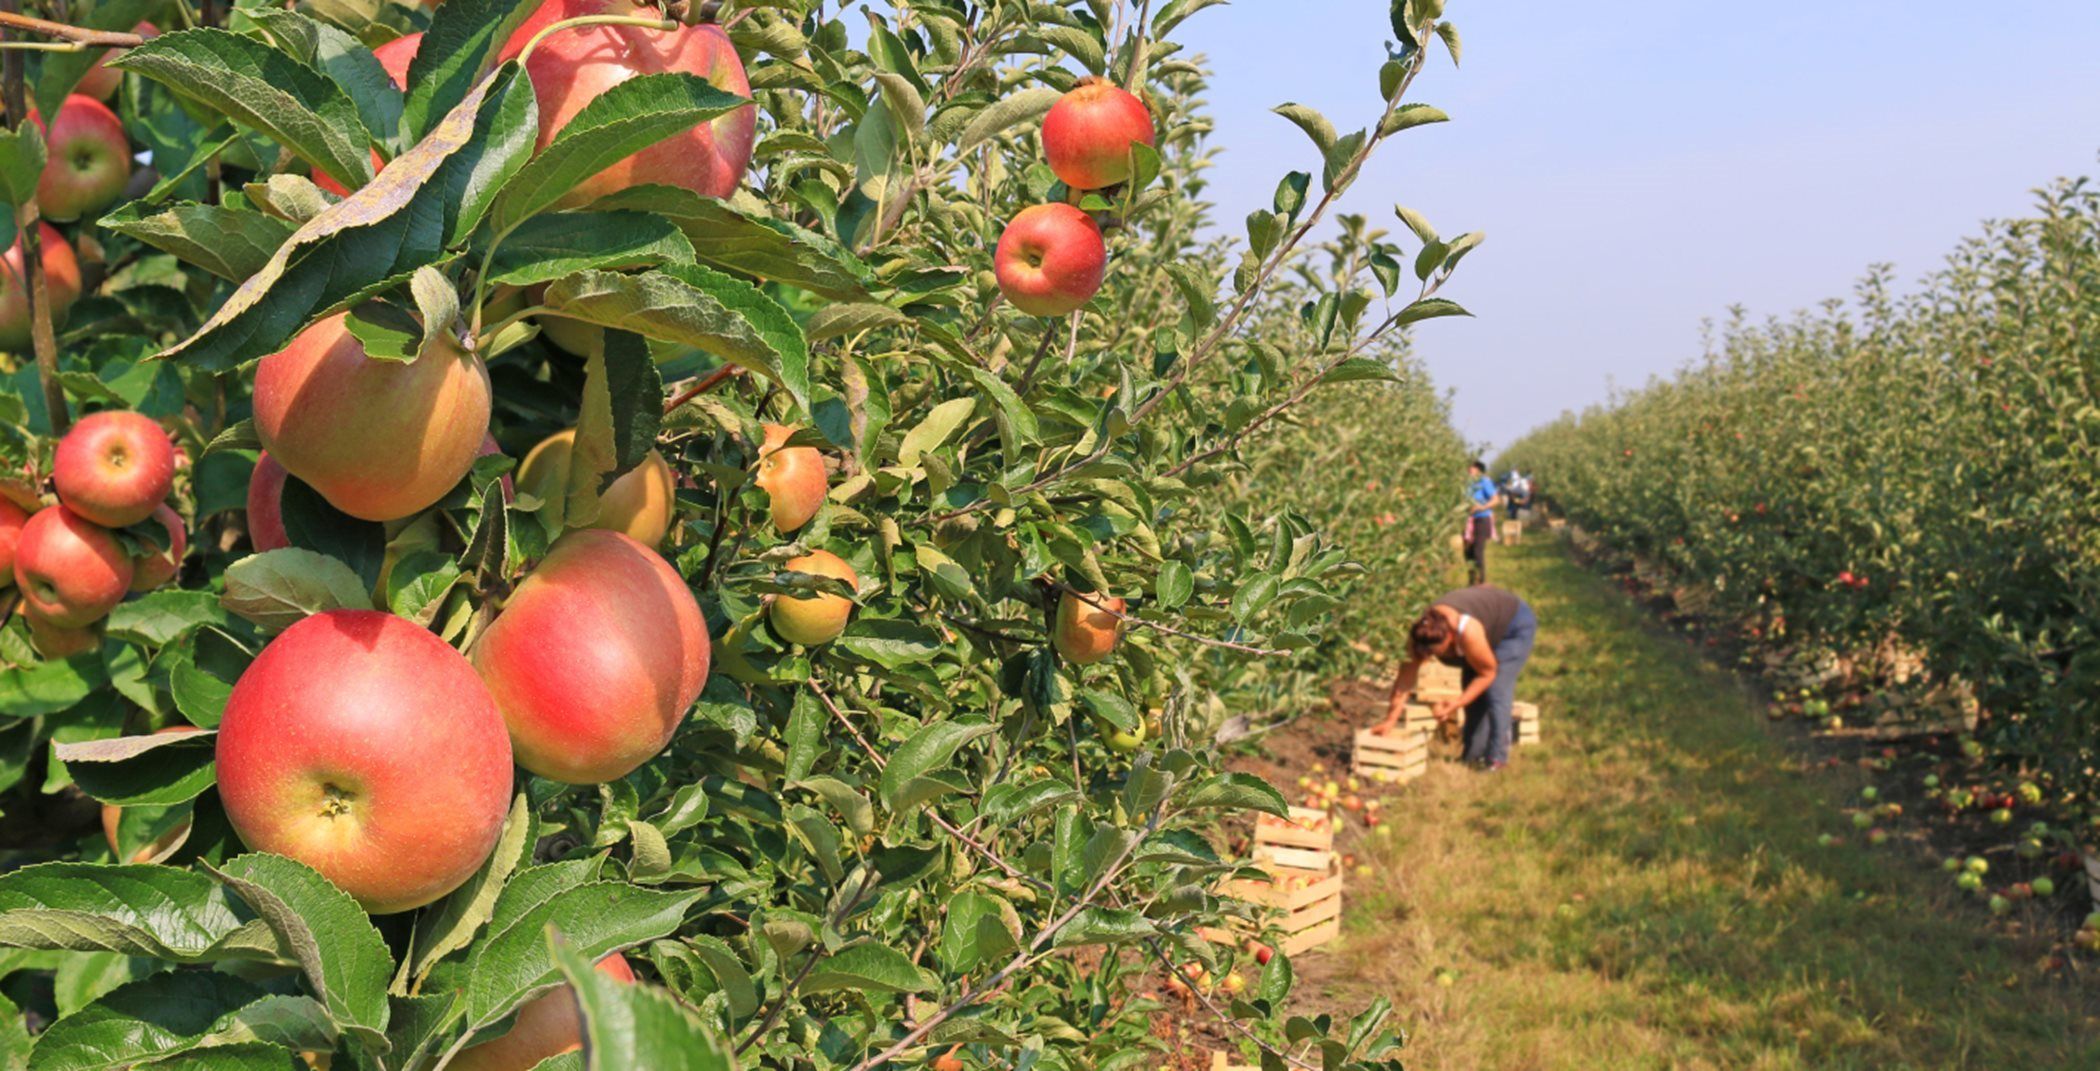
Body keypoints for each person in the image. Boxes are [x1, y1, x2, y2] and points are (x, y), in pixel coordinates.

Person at [1374, 583, 1538, 770]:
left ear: (1451, 637)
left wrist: (1456, 703)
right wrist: (1390, 721)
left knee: (1496, 690)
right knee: (1471, 692)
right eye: (1425, 653)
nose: (1429, 656)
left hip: (1513, 626)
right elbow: (1404, 683)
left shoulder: (1469, 631)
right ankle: (1472, 756)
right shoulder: (1421, 635)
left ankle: (1497, 758)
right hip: (1484, 624)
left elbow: (1487, 673)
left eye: (1435, 652)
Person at [1463, 460, 1498, 584]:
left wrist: (1482, 507)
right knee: (1468, 552)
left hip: (1482, 518)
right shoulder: (1467, 483)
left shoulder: (1484, 482)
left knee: (1478, 551)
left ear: (1478, 469)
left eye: (1471, 467)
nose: (1469, 469)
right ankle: (1471, 580)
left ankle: (1481, 581)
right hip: (1468, 520)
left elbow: (1495, 500)